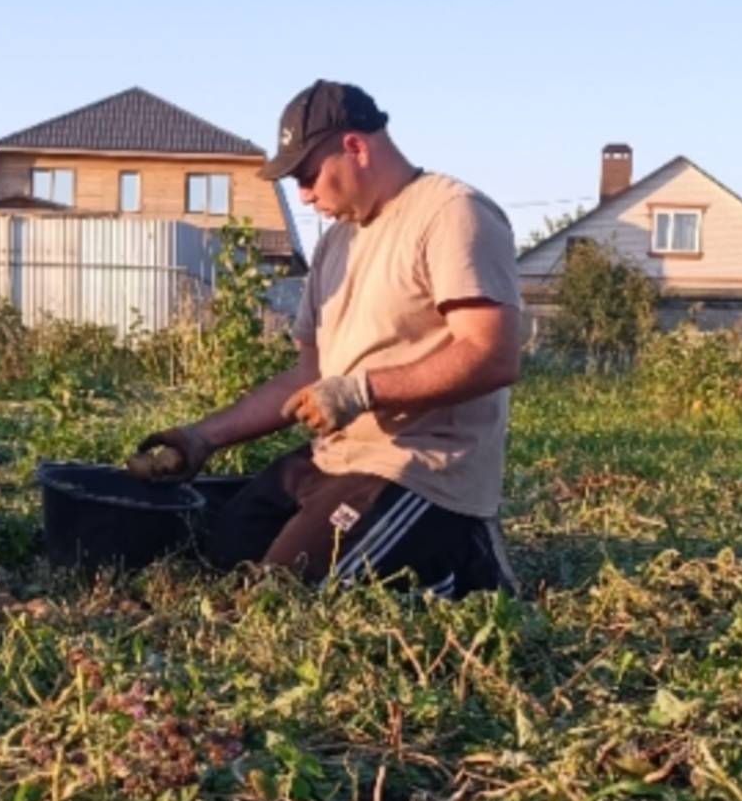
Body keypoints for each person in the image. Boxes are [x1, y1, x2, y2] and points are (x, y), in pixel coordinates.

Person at [130, 80, 524, 597]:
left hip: (422, 471)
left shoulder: (453, 214)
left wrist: (362, 392)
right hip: (336, 458)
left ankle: (463, 559)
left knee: (284, 593)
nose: (305, 195)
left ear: (356, 147)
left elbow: (492, 355)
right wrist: (203, 438)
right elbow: (309, 376)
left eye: (308, 175)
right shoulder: (337, 242)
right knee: (219, 552)